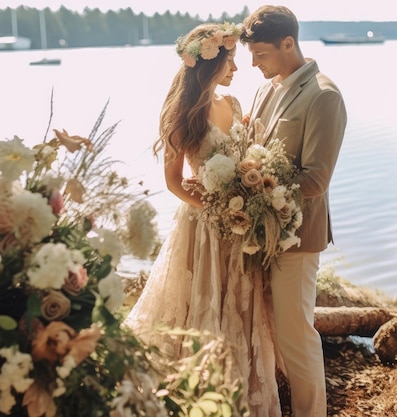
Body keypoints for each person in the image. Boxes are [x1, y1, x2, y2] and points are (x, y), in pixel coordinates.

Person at [123, 22, 283, 416]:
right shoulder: (182, 115)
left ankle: (237, 392)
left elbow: (247, 156)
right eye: (230, 61)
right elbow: (174, 183)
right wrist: (213, 208)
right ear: (209, 65)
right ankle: (192, 388)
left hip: (240, 223)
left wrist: (245, 202)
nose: (237, 69)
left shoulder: (235, 106)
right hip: (203, 226)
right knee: (200, 302)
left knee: (241, 301)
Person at [240, 5, 348, 417]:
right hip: (258, 234)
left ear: (289, 43)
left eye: (262, 54)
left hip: (299, 236)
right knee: (268, 333)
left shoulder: (324, 96)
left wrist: (251, 186)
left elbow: (316, 181)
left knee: (295, 336)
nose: (254, 65)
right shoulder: (265, 89)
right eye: (251, 56)